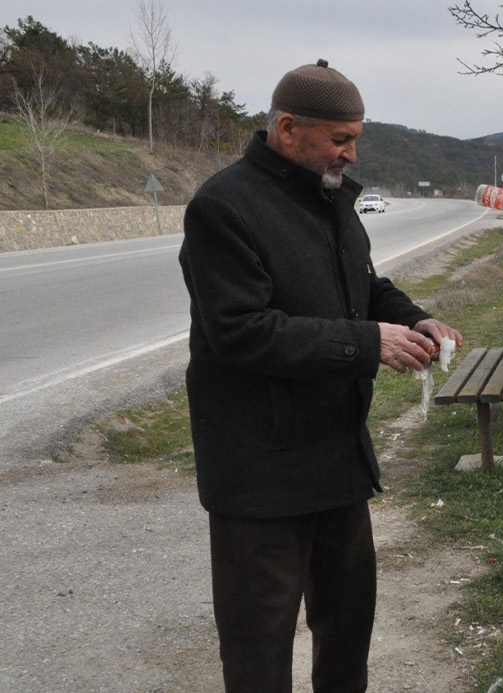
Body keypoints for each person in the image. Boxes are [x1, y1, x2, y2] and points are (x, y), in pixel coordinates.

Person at [179, 59, 462, 692]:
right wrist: (367, 344)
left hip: (336, 461)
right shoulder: (223, 208)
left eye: (356, 137)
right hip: (259, 473)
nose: (351, 153)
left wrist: (417, 319)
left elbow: (361, 285)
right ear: (287, 128)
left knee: (347, 630)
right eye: (340, 139)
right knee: (260, 646)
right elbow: (241, 332)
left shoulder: (331, 197)